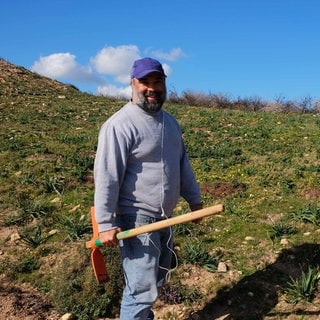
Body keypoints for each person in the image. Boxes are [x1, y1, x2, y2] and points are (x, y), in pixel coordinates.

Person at [94, 57, 202, 320]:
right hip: (136, 219)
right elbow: (107, 175)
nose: (152, 88)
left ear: (165, 84)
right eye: (145, 83)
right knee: (141, 290)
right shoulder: (120, 124)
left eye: (157, 82)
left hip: (165, 218)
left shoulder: (170, 123)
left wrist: (195, 200)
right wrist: (106, 222)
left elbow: (182, 164)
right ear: (133, 84)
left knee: (156, 280)